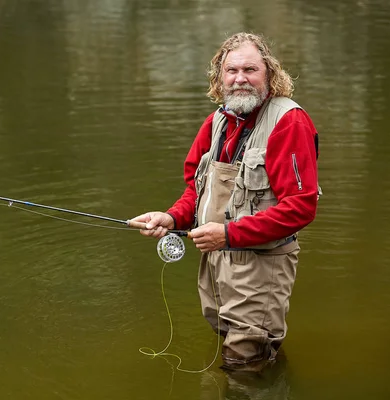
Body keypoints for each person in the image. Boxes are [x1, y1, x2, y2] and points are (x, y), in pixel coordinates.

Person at [132, 32, 319, 372]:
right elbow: (196, 191)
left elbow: (301, 206)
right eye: (232, 71)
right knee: (242, 347)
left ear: (270, 74)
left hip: (262, 264)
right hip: (217, 259)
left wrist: (228, 235)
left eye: (251, 69)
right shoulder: (217, 121)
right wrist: (172, 219)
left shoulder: (289, 122)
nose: (241, 79)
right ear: (219, 77)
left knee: (243, 361)